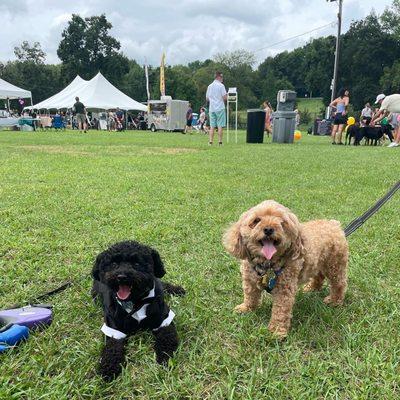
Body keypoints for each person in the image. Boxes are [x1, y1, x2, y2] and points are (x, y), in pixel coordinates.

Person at [206, 71, 227, 145]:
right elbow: (225, 97)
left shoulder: (209, 86)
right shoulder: (221, 86)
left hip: (212, 108)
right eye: (221, 77)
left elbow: (207, 99)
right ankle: (220, 142)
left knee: (212, 126)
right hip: (220, 108)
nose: (222, 79)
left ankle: (210, 141)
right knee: (220, 125)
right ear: (218, 77)